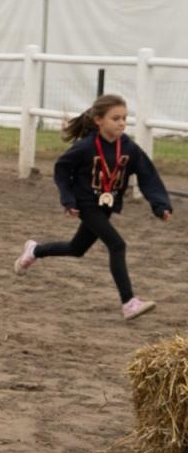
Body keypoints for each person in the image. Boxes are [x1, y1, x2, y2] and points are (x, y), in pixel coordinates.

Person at [14, 93, 173, 319]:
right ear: (98, 120)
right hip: (86, 204)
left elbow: (148, 175)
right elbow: (61, 169)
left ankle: (35, 250)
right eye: (115, 118)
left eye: (124, 118)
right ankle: (129, 302)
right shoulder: (85, 147)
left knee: (76, 248)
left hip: (106, 204)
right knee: (117, 245)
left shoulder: (129, 148)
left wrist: (160, 205)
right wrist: (68, 198)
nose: (121, 123)